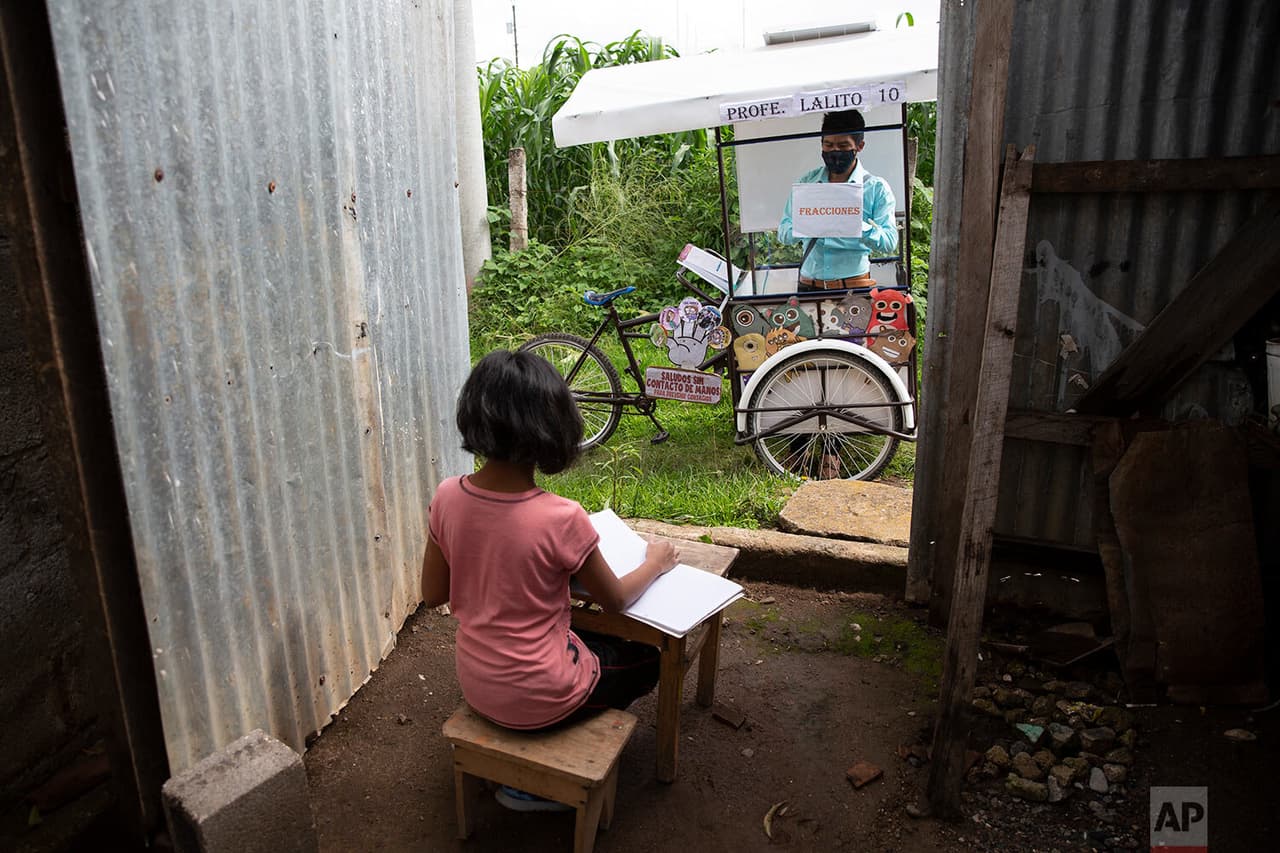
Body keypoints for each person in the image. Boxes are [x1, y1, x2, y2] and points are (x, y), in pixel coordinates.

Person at [421, 349, 679, 812]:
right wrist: (656, 562)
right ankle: (539, 781)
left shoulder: (445, 498)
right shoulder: (562, 517)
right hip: (543, 696)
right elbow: (616, 600)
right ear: (554, 426)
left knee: (587, 639)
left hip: (478, 683)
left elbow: (433, 593)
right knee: (647, 659)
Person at [778, 109, 899, 292]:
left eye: (843, 146)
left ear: (859, 146)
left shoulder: (876, 188)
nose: (835, 151)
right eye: (828, 145)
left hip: (854, 288)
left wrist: (855, 224)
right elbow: (784, 233)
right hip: (809, 287)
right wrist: (808, 223)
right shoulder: (807, 183)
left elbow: (889, 241)